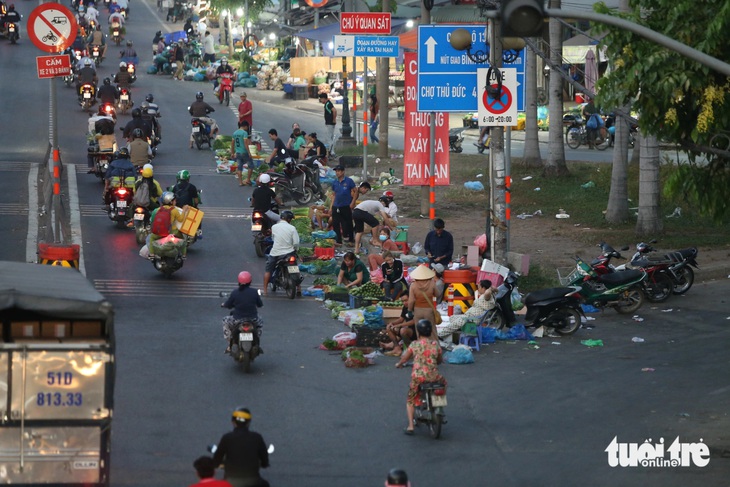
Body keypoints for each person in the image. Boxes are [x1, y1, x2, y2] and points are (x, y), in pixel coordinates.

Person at [395, 319, 446, 436]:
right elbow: (439, 360)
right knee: (443, 383)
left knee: (411, 399)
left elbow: (404, 358)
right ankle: (440, 406)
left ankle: (411, 426)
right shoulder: (435, 345)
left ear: (418, 332)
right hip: (434, 377)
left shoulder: (414, 345)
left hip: (419, 378)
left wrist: (399, 364)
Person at [212, 407, 270, 487]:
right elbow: (265, 460)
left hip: (230, 481)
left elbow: (217, 459)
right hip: (253, 481)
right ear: (248, 423)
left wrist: (216, 464)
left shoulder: (227, 438)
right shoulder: (257, 437)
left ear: (233, 422)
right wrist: (264, 464)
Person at [221, 271, 263, 354]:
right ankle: (257, 338)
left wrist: (224, 305)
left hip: (237, 319)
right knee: (260, 322)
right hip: (253, 319)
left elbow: (228, 304)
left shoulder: (235, 292)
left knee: (224, 320)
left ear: (239, 281)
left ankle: (230, 343)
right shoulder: (255, 292)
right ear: (250, 281)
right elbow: (260, 304)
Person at [262, 210, 299, 295]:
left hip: (276, 253)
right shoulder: (292, 228)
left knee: (268, 270)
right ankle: (299, 289)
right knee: (295, 269)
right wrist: (295, 249)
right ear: (288, 219)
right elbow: (296, 242)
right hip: (289, 253)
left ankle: (265, 290)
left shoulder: (274, 227)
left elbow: (274, 239)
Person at [149, 191, 188, 257]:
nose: (175, 202)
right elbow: (181, 219)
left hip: (159, 232)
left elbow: (152, 220)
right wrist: (184, 210)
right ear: (171, 202)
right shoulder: (174, 210)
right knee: (183, 239)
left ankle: (152, 254)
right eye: (174, 200)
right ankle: (184, 255)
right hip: (172, 232)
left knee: (152, 238)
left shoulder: (157, 210)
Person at [407, 265, 438, 339]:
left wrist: (409, 310)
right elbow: (437, 294)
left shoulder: (413, 285)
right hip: (428, 310)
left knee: (419, 330)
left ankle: (421, 347)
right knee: (432, 330)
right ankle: (434, 347)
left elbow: (411, 300)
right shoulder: (432, 283)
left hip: (418, 310)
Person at [329, 165, 356, 246]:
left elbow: (355, 191)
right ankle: (338, 240)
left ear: (343, 172)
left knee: (348, 223)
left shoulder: (349, 181)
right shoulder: (335, 182)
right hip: (336, 206)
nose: (337, 173)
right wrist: (331, 207)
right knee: (335, 223)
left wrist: (352, 202)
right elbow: (334, 195)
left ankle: (351, 239)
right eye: (336, 171)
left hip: (346, 206)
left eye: (339, 171)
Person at [232, 121, 253, 186]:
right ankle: (248, 180)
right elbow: (245, 143)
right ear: (245, 126)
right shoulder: (244, 133)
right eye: (247, 127)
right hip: (244, 152)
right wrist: (249, 152)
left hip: (238, 152)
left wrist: (232, 152)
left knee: (239, 167)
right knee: (251, 165)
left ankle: (240, 182)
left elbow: (232, 143)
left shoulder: (235, 133)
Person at [318, 92, 338, 158]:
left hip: (330, 123)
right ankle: (330, 151)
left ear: (324, 98)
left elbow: (334, 111)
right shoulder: (327, 104)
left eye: (321, 99)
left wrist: (334, 119)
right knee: (330, 137)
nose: (320, 100)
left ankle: (331, 152)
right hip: (329, 122)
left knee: (329, 138)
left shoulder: (328, 104)